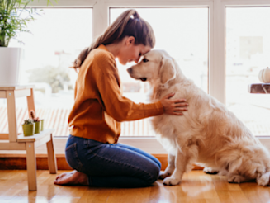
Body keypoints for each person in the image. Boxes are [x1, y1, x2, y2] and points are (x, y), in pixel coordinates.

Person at [54, 9, 188, 188]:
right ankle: (86, 178)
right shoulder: (101, 59)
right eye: (140, 54)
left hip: (92, 145)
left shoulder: (102, 56)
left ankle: (87, 171)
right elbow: (119, 109)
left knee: (155, 166)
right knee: (149, 173)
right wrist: (160, 107)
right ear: (130, 41)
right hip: (86, 148)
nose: (136, 60)